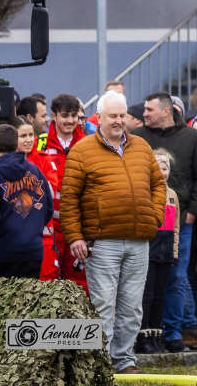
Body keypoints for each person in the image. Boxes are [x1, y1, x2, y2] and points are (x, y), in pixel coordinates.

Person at [59, 91, 165, 375]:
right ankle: (100, 364)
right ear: (99, 118)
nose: (119, 121)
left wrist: (154, 216)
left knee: (131, 308)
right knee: (103, 306)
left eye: (122, 116)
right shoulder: (82, 151)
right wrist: (75, 237)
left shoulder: (141, 147)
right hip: (102, 243)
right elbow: (69, 199)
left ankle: (125, 361)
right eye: (113, 116)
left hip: (138, 240)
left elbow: (158, 185)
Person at [132, 92, 197, 352]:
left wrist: (193, 211)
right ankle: (145, 333)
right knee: (144, 279)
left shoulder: (191, 138)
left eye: (149, 109)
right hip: (144, 222)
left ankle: (173, 333)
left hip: (180, 222)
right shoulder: (137, 138)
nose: (144, 114)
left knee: (176, 278)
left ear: (166, 111)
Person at [0, 124, 51, 277]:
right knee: (26, 301)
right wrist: (31, 231)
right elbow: (48, 208)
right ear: (16, 144)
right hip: (32, 253)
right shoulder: (35, 170)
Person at [30, 94, 89, 285]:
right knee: (47, 285)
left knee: (79, 286)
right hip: (48, 228)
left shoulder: (88, 145)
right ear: (54, 116)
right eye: (65, 115)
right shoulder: (40, 143)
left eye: (74, 116)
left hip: (79, 228)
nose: (70, 121)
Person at [137, 149, 180, 355]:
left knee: (160, 295)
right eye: (157, 167)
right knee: (147, 294)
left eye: (165, 168)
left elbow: (177, 227)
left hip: (165, 249)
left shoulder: (172, 195)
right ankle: (142, 336)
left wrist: (174, 250)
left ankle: (155, 335)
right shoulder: (144, 191)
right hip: (149, 249)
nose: (161, 172)